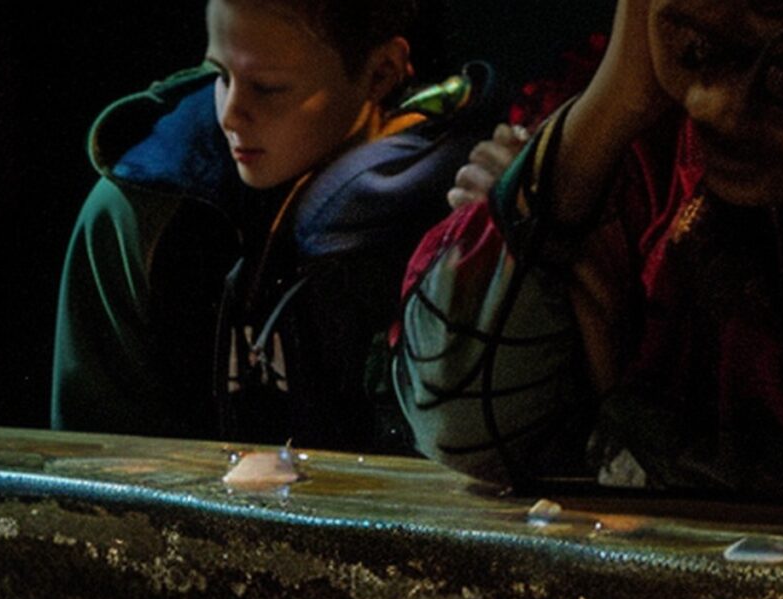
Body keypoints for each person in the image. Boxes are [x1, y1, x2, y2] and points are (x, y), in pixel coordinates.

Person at [394, 0, 783, 497]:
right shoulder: (643, 163)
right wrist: (612, 102)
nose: (715, 105)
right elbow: (459, 424)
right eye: (698, 49)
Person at [52, 0, 500, 451]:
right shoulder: (142, 209)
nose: (230, 114)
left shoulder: (463, 210)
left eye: (267, 87)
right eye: (221, 76)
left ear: (380, 74)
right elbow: (99, 465)